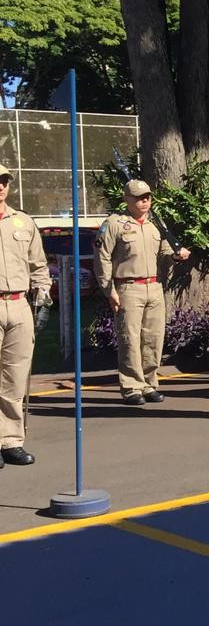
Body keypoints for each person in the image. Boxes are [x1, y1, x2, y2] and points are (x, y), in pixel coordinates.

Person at [94, 179, 192, 405]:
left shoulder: (155, 224)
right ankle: (131, 387)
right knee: (130, 339)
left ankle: (149, 383)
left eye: (147, 196)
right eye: (139, 197)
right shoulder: (114, 224)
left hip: (153, 287)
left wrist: (177, 254)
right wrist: (109, 290)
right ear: (126, 199)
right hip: (128, 287)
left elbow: (167, 250)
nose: (144, 201)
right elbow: (102, 258)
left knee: (153, 339)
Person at [0, 164, 51, 467]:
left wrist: (43, 298)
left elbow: (38, 265)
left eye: (4, 181)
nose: (1, 186)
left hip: (19, 305)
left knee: (15, 377)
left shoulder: (23, 222)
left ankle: (10, 441)